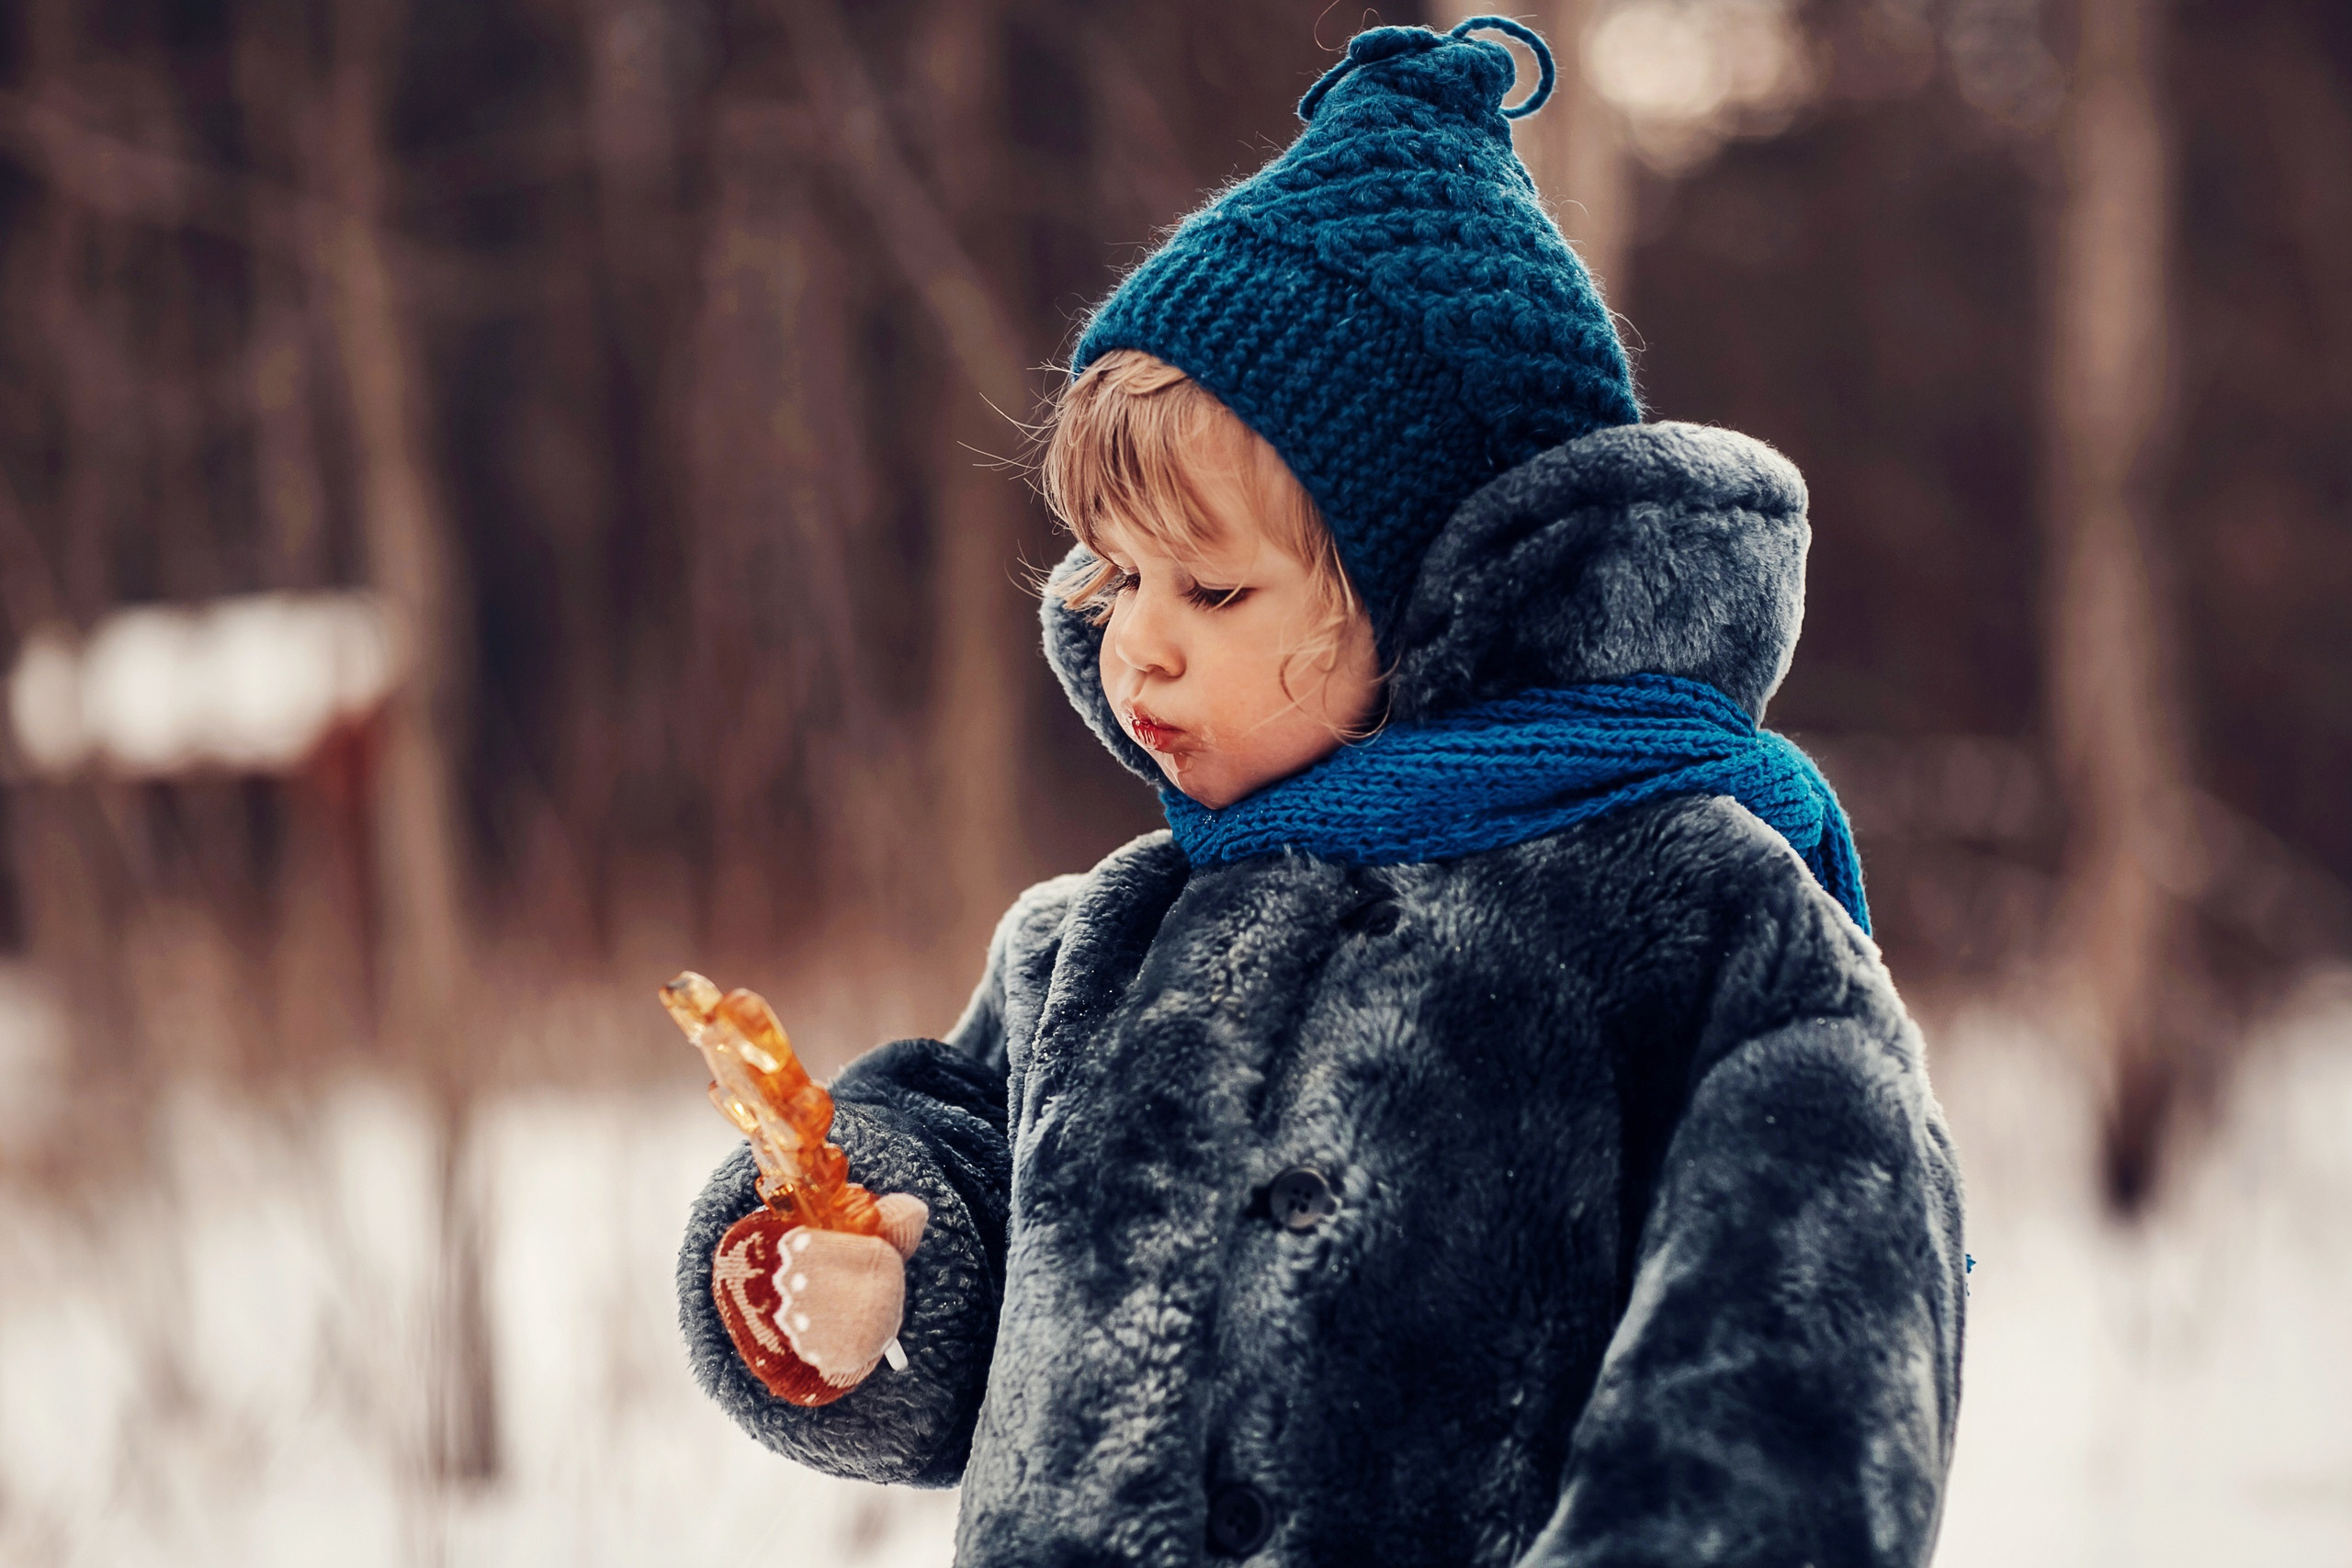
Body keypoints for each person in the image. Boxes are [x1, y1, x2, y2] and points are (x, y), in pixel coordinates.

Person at [678, 17, 1966, 1566]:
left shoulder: (1693, 922)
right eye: (1120, 571)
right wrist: (879, 1279)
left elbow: (1791, 1375)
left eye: (1212, 592)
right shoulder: (1099, 945)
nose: (1134, 643)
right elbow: (953, 1217)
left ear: (1436, 604)